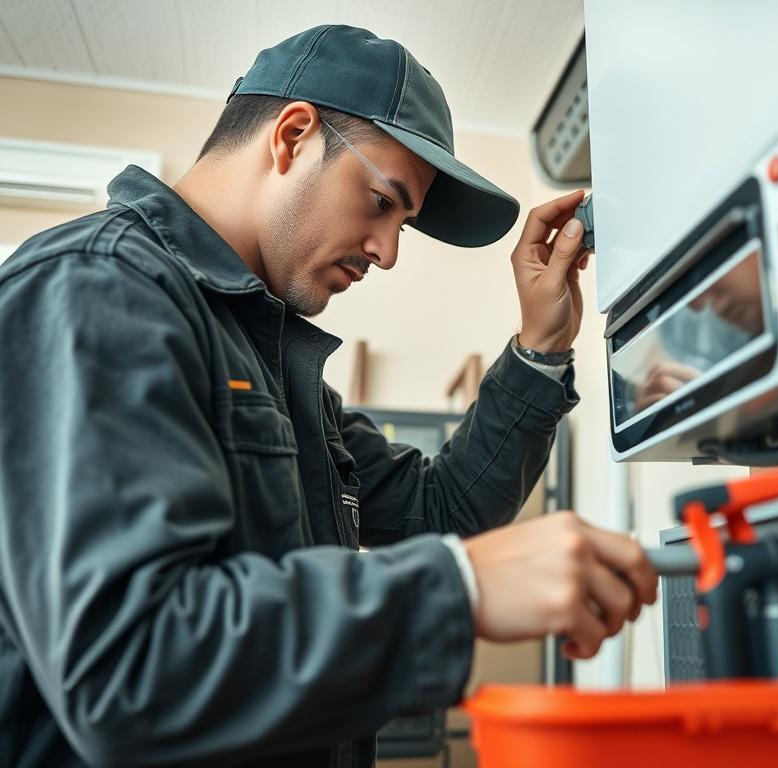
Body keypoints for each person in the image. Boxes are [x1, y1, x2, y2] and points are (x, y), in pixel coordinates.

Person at [0, 24, 657, 768]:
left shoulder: (266, 359)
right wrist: (460, 588)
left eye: (401, 221)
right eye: (381, 201)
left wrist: (541, 346)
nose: (387, 250)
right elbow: (130, 667)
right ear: (292, 135)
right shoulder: (95, 289)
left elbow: (442, 511)